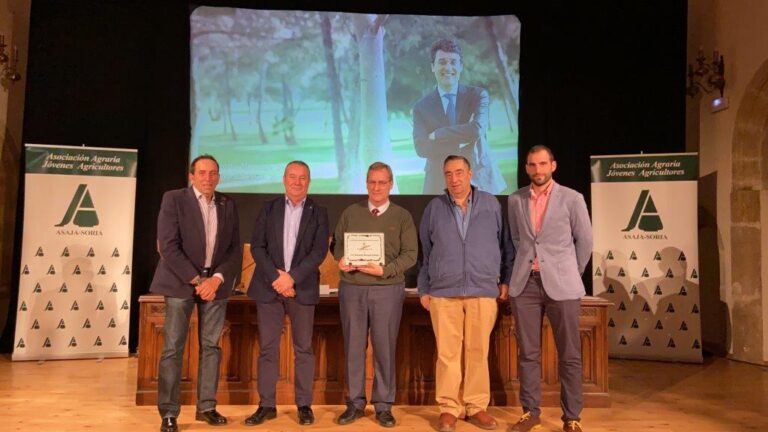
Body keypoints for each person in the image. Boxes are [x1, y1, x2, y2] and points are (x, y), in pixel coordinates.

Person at [418, 155, 513, 432]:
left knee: (477, 351)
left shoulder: (491, 204)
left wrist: (505, 280)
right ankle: (449, 408)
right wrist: (424, 289)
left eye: (459, 173)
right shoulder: (434, 208)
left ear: (470, 174)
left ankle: (476, 407)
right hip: (443, 292)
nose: (454, 179)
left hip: (482, 290)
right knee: (447, 354)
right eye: (448, 174)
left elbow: (505, 245)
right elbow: (426, 252)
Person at [150, 154, 241, 432]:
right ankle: (168, 413)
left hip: (215, 286)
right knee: (173, 348)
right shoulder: (174, 199)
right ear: (191, 176)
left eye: (213, 173)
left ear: (219, 177)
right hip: (180, 282)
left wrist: (215, 279)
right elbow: (167, 246)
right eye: (202, 173)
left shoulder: (227, 204)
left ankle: (207, 407)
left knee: (211, 347)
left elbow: (234, 249)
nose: (208, 178)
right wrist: (196, 278)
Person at [506, 145, 593, 432]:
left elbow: (585, 242)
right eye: (532, 165)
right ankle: (530, 412)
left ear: (553, 166)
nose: (537, 170)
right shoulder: (515, 199)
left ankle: (572, 417)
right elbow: (518, 240)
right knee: (528, 353)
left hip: (563, 285)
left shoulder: (572, 198)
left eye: (543, 164)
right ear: (526, 168)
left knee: (569, 354)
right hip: (525, 284)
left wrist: (569, 271)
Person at [331, 162, 418, 428]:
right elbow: (337, 246)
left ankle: (383, 406)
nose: (376, 187)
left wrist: (385, 270)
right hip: (352, 288)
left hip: (387, 290)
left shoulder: (402, 216)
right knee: (354, 347)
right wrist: (341, 260)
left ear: (391, 184)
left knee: (384, 348)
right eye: (372, 182)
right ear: (366, 183)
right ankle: (355, 404)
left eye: (382, 182)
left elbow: (410, 255)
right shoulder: (350, 212)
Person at [245, 161, 329, 426]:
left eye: (302, 178)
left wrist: (291, 278)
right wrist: (278, 278)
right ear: (284, 179)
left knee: (303, 349)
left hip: (301, 288)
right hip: (270, 287)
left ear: (309, 181)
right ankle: (266, 405)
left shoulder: (319, 212)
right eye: (292, 177)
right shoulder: (268, 208)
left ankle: (304, 405)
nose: (297, 182)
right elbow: (257, 247)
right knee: (268, 349)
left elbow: (318, 252)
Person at [413, 38, 506, 195]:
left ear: (461, 66)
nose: (448, 67)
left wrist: (438, 134)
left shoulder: (478, 96)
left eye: (453, 62)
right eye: (442, 62)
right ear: (432, 67)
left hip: (479, 177)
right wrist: (463, 137)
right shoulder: (421, 107)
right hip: (438, 181)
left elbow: (476, 130)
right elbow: (421, 148)